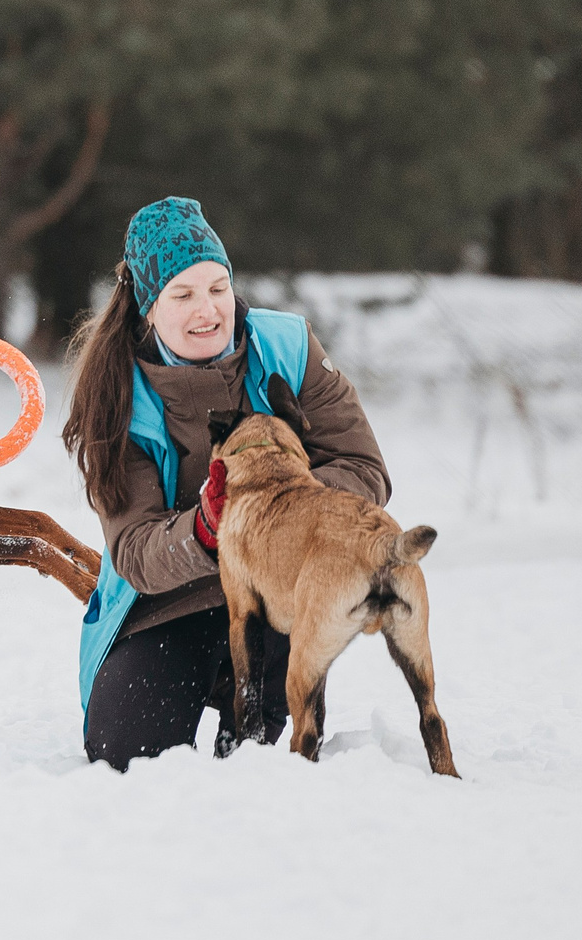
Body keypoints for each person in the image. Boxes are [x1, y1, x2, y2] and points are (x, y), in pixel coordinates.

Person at [59, 197, 390, 769]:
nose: (208, 310)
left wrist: (273, 510)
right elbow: (135, 552)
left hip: (276, 591)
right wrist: (210, 526)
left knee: (263, 755)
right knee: (124, 757)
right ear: (148, 306)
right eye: (182, 296)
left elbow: (365, 471)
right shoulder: (116, 396)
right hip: (166, 601)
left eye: (218, 288)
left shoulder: (287, 347)